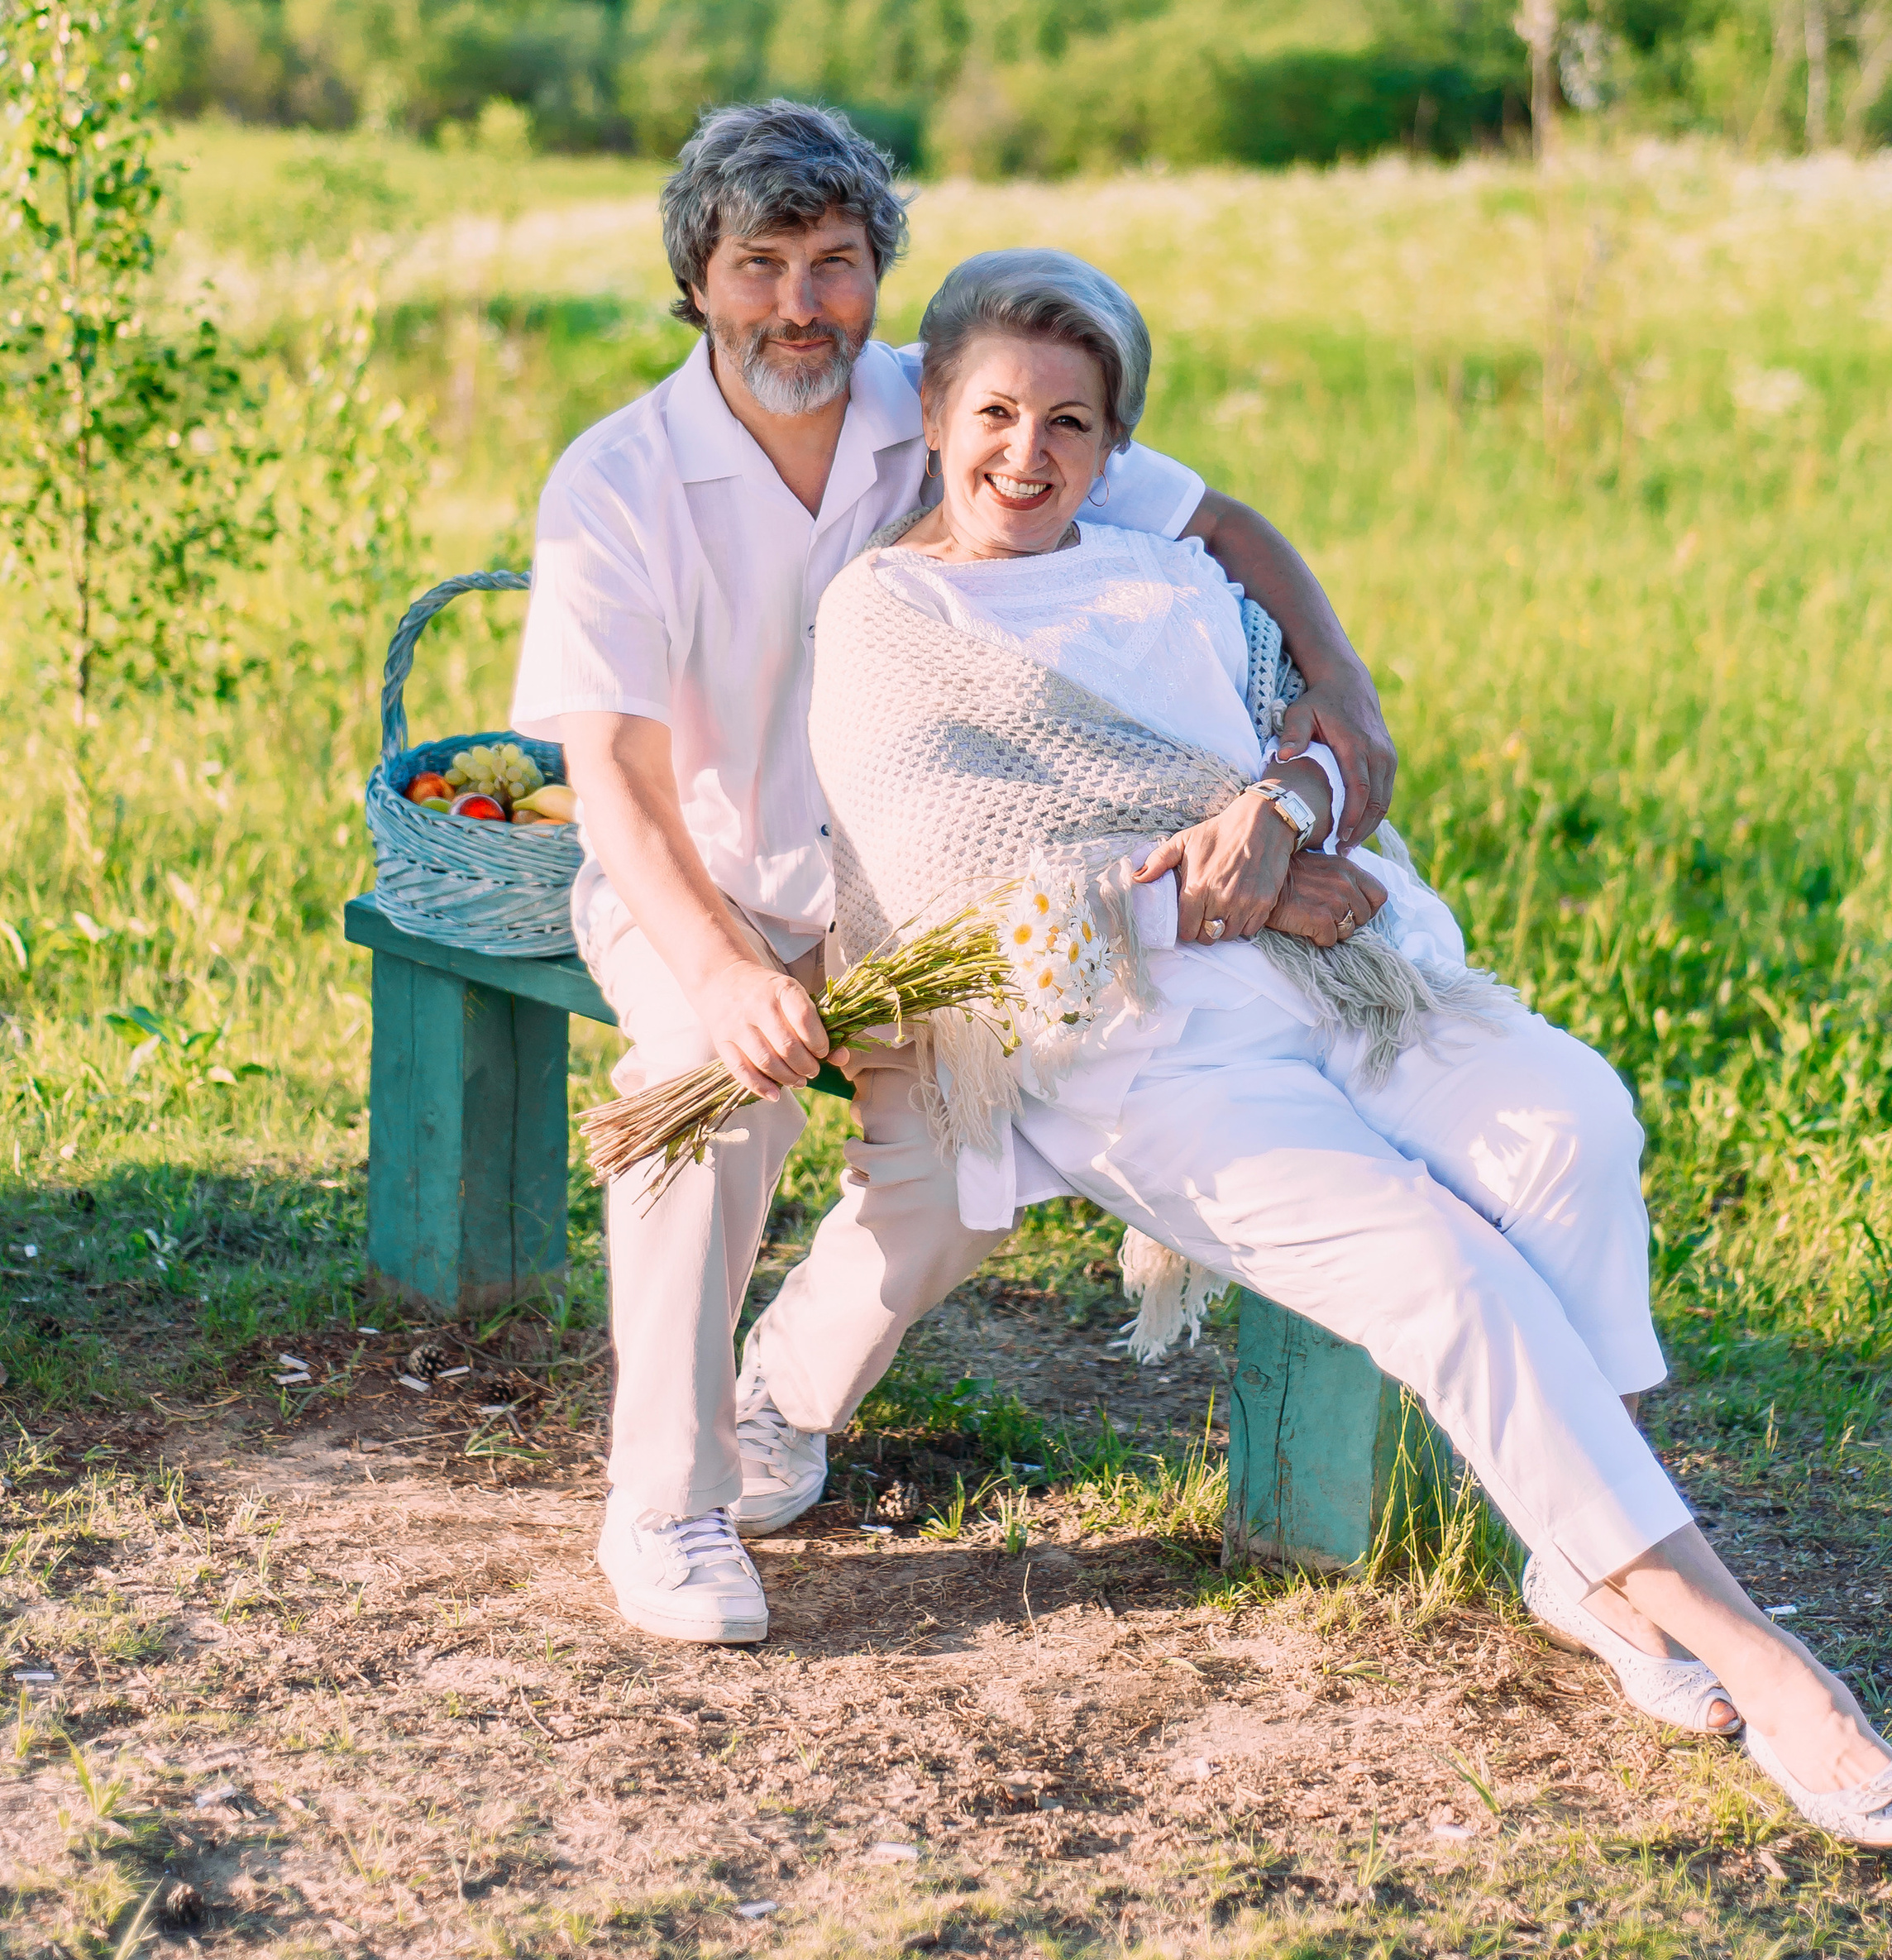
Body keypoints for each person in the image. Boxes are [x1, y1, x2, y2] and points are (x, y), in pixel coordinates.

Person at [767, 246, 1892, 1853]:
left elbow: (1300, 756)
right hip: (1125, 1050)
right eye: (994, 414)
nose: (1024, 457)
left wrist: (1286, 816)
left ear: (1114, 446)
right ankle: (1765, 1662)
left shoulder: (1160, 570)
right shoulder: (888, 618)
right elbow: (968, 914)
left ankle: (1578, 1564)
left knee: (1571, 1126)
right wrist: (1214, 892)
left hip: (1335, 968)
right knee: (1443, 1273)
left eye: (1068, 424)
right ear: (934, 411)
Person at [510, 101, 1400, 1647]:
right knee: (705, 1103)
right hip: (704, 892)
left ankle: (776, 1398)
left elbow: (1222, 520)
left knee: (966, 1171)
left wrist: (1341, 682)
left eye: (836, 264)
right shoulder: (617, 481)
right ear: (697, 279)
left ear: (877, 277)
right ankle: (662, 1500)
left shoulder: (958, 403)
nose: (801, 303)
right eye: (761, 263)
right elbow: (618, 785)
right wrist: (724, 975)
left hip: (922, 896)